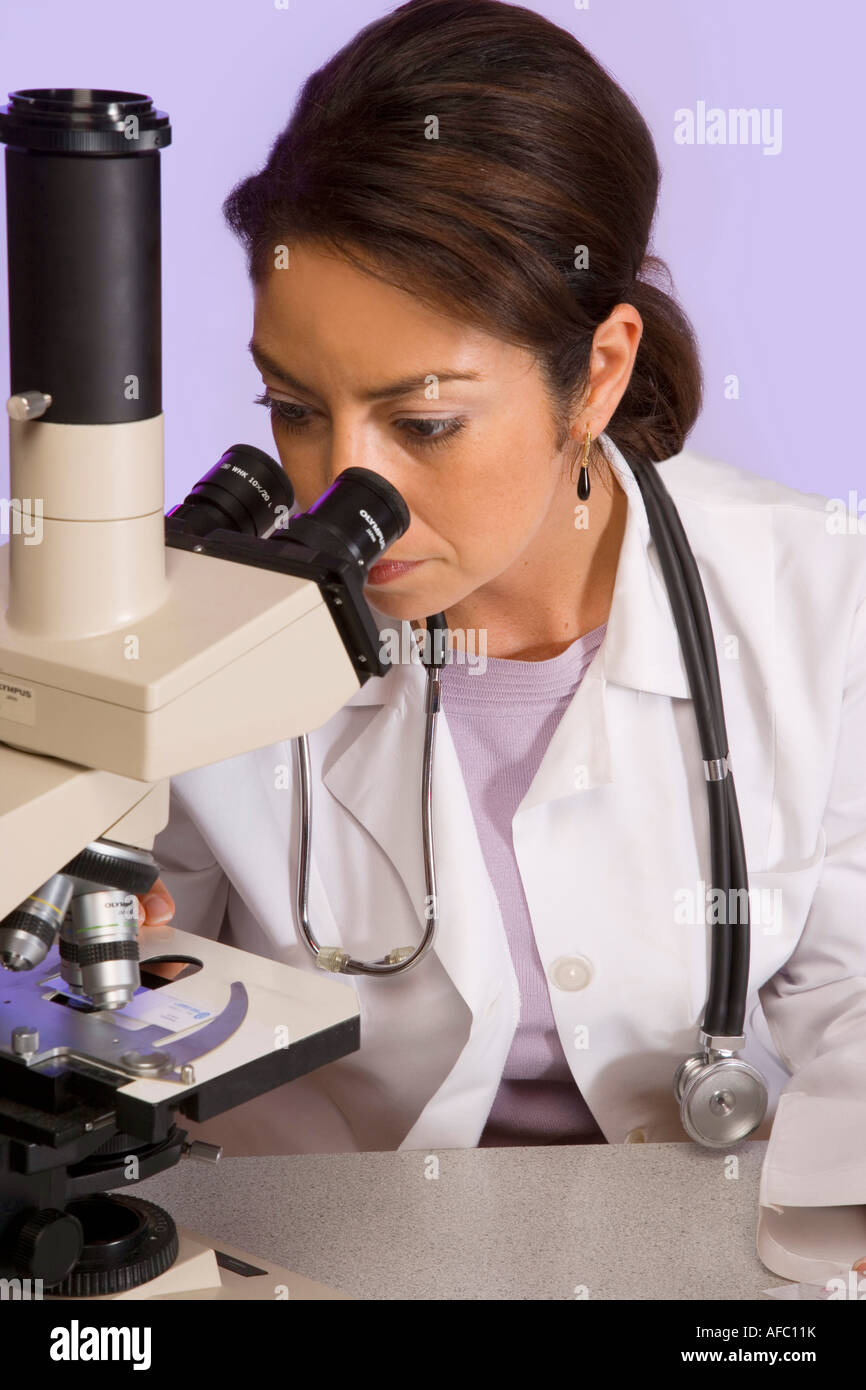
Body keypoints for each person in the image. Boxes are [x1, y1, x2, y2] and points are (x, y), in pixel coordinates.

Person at [140, 0, 866, 1285]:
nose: (337, 493)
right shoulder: (206, 626)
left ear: (594, 373)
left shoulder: (817, 597)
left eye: (422, 422)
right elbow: (121, 1017)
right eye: (294, 411)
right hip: (307, 1272)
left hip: (702, 1271)